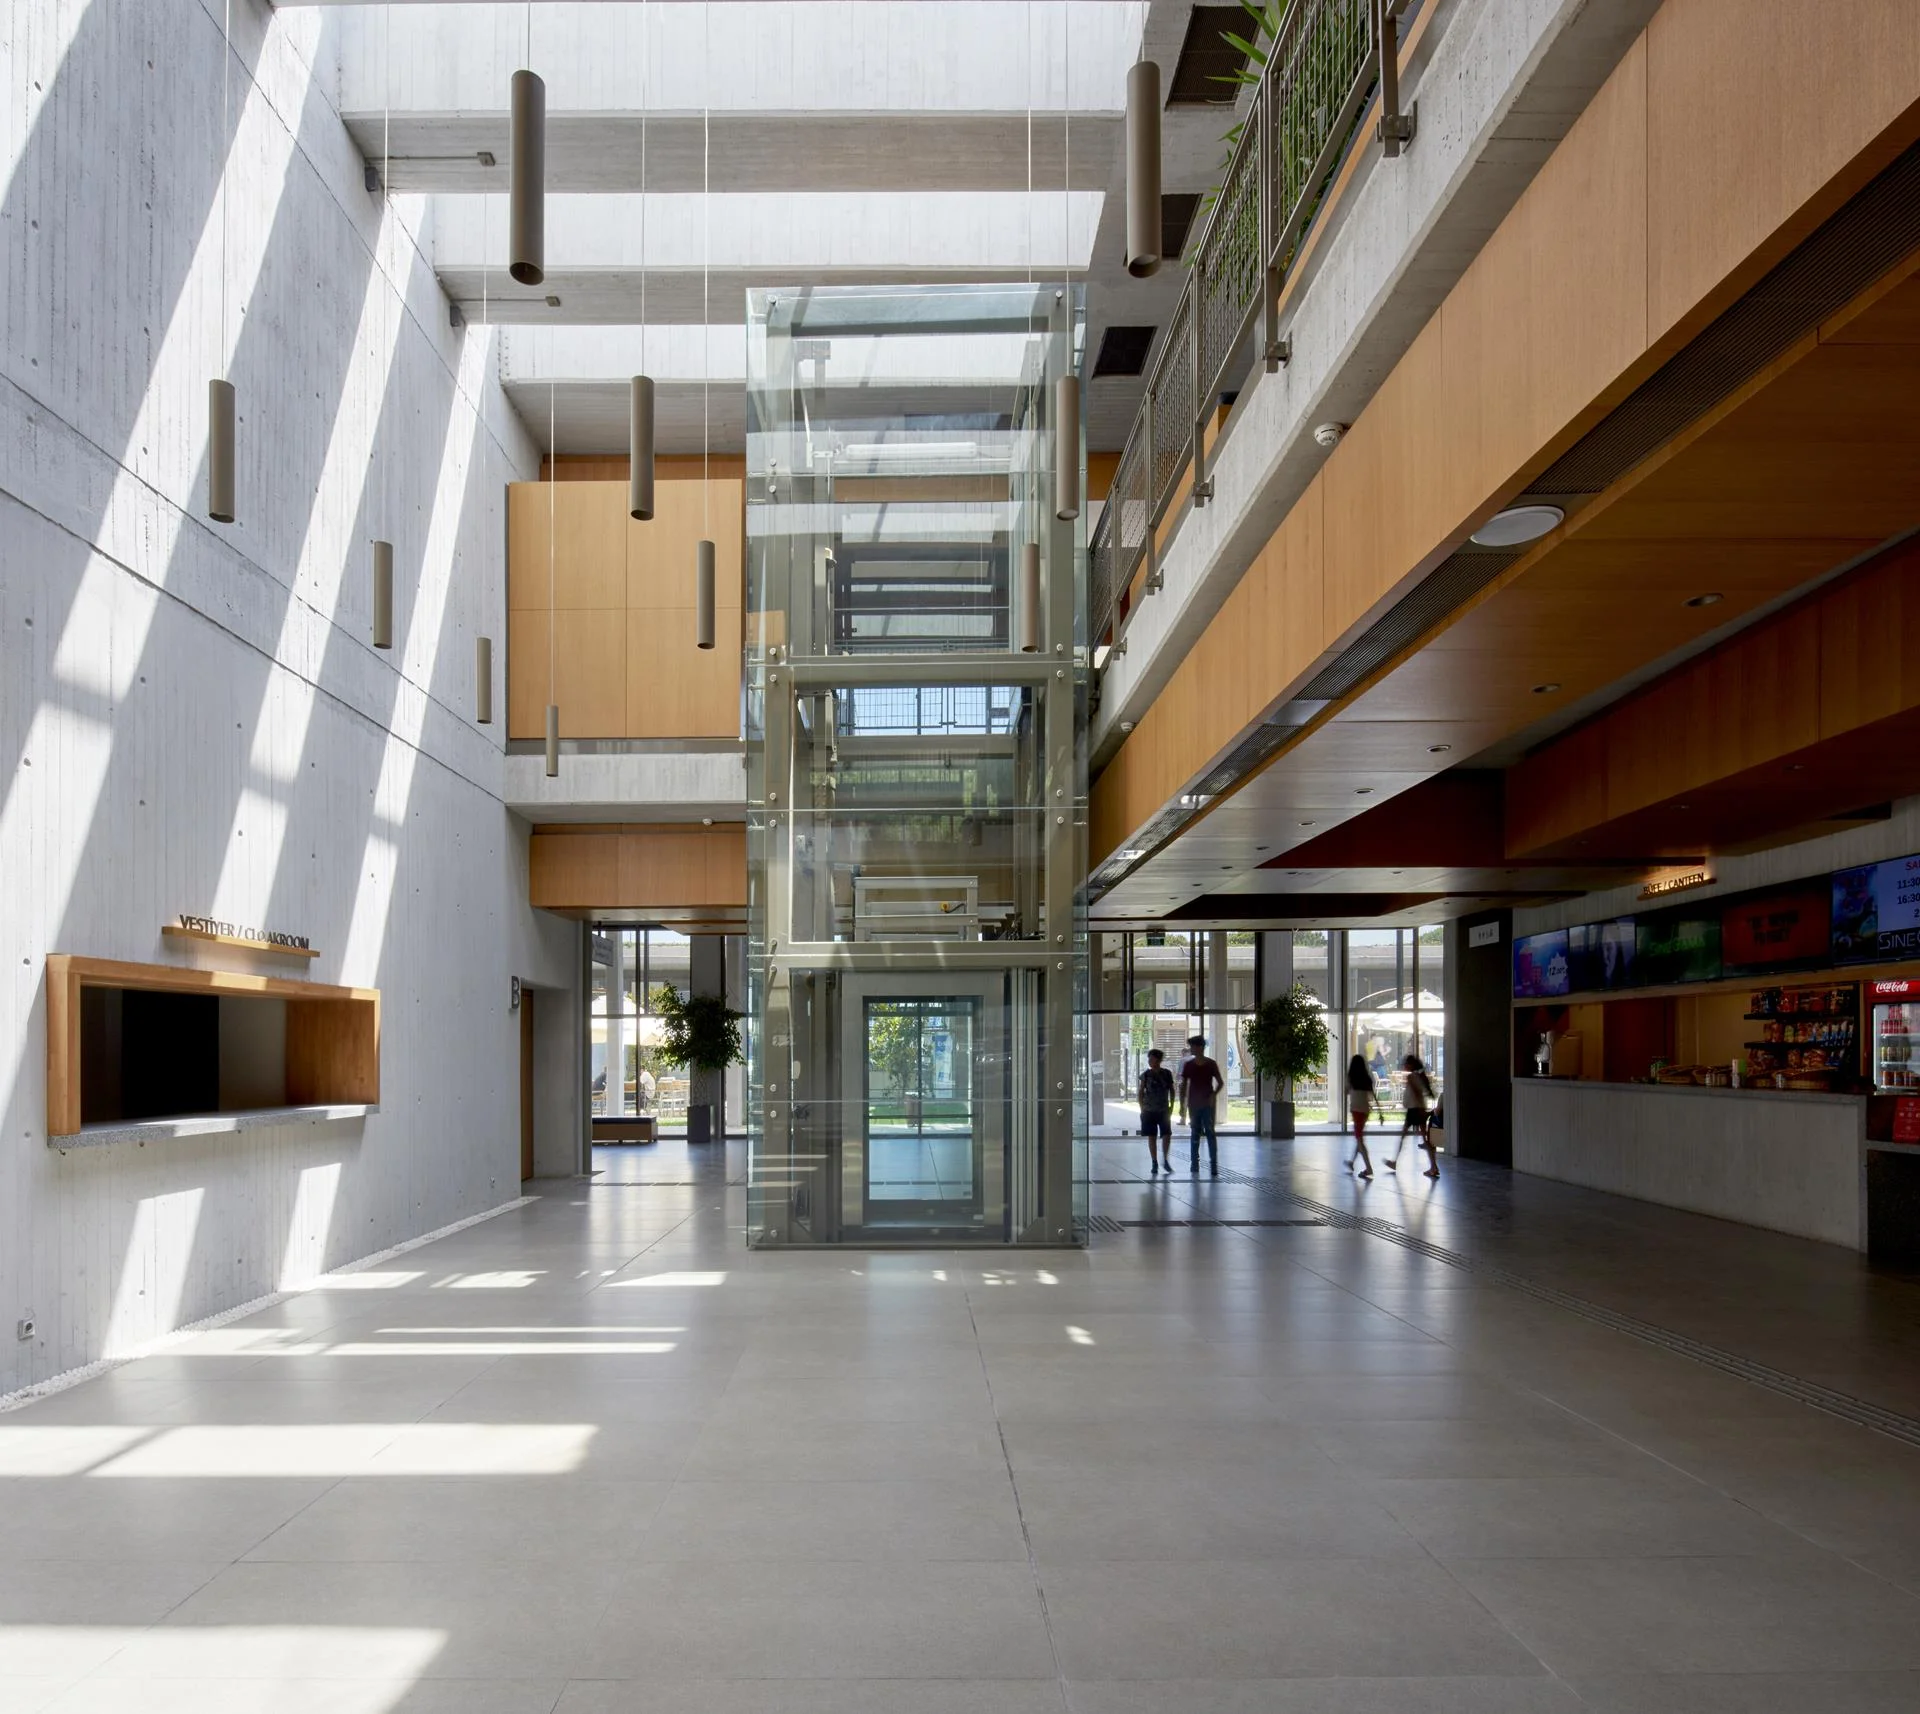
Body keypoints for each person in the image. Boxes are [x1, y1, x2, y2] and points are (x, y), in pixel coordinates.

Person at [1178, 1034, 1224, 1177]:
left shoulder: (1211, 1064)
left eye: (1192, 1046)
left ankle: (1213, 1164)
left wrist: (1213, 1095)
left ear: (1200, 1047)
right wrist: (1182, 1105)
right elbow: (1183, 1086)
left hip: (1207, 1105)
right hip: (1194, 1104)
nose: (1191, 1049)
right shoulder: (1189, 1065)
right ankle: (1194, 1164)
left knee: (1210, 1133)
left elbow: (1220, 1082)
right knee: (1195, 1134)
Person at [1386, 1054, 1438, 1178]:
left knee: (1404, 1136)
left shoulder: (1411, 1077)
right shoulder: (1420, 1076)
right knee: (1425, 1140)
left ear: (1410, 1065)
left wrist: (1420, 1111)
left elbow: (1416, 1094)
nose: (1404, 1065)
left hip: (1414, 1110)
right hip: (1418, 1109)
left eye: (1406, 1063)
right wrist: (1422, 1110)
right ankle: (1434, 1166)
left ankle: (1395, 1162)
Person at [1137, 1049, 1175, 1175]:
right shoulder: (1145, 1075)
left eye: (1152, 1059)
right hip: (1149, 1110)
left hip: (1163, 1109)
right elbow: (1141, 1092)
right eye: (1149, 1058)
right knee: (1151, 1136)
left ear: (1158, 1060)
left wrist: (1171, 1105)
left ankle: (1165, 1159)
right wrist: (1142, 1108)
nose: (1149, 1061)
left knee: (1166, 1135)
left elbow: (1172, 1090)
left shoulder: (1167, 1074)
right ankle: (1154, 1161)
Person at [1344, 1053, 1376, 1179]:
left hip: (1356, 1110)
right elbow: (1373, 1095)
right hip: (1365, 1111)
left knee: (1359, 1139)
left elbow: (1346, 1091)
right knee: (1359, 1138)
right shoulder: (1366, 1078)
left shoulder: (1351, 1078)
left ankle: (1369, 1168)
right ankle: (1352, 1162)